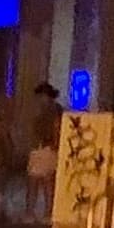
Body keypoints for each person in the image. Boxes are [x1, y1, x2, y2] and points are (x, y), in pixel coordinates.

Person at [24, 80, 64, 220]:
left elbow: (55, 129)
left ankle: (35, 212)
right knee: (44, 181)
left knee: (40, 181)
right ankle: (43, 212)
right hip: (43, 147)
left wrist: (54, 143)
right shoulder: (52, 110)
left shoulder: (51, 111)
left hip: (45, 147)